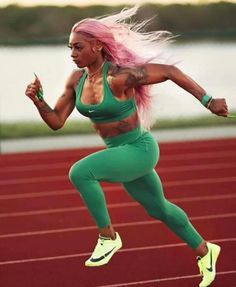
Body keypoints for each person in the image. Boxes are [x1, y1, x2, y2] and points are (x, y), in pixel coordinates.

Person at [25, 6, 228, 287]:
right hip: (120, 152)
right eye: (69, 48)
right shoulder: (76, 80)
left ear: (97, 46)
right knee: (159, 209)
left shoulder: (119, 77)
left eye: (78, 47)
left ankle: (108, 236)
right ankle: (205, 251)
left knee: (81, 173)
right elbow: (56, 121)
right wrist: (38, 101)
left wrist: (208, 101)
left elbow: (169, 71)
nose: (72, 54)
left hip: (139, 149)